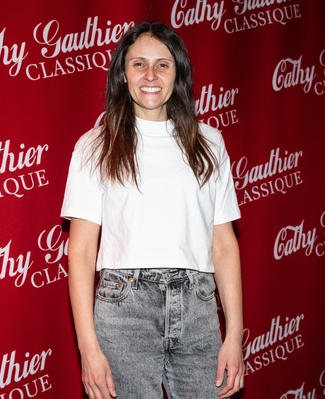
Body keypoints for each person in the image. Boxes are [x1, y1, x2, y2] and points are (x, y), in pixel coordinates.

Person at [61, 21, 244, 399]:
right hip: (124, 310)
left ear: (177, 73)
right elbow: (80, 250)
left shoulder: (209, 142)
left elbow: (223, 245)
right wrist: (88, 347)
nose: (150, 75)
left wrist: (234, 336)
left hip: (198, 308)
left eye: (162, 64)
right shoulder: (95, 146)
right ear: (123, 75)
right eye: (138, 64)